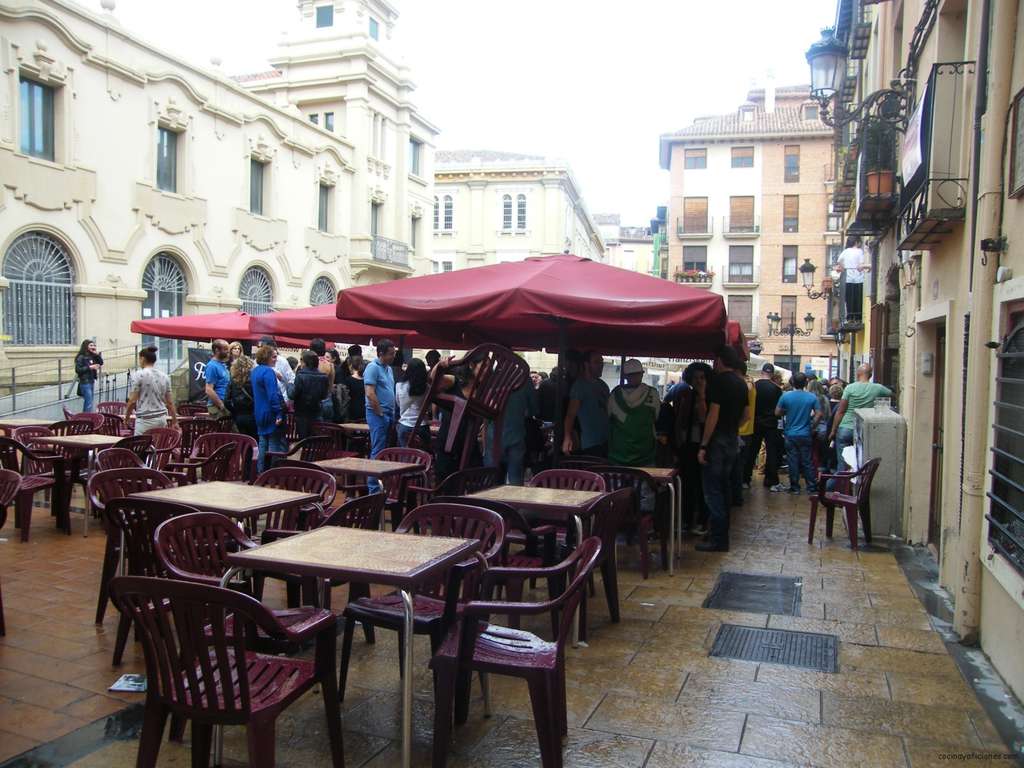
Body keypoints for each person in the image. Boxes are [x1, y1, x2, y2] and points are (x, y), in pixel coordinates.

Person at [696, 346, 750, 552]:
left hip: (717, 441)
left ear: (719, 361)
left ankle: (718, 540)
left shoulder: (717, 382)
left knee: (713, 490)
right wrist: (732, 427)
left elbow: (712, 415)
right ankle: (722, 536)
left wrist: (703, 444)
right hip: (732, 440)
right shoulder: (741, 383)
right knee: (725, 487)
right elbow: (746, 415)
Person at [659, 362, 710, 534]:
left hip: (702, 446)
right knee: (689, 485)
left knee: (701, 486)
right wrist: (679, 446)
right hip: (688, 446)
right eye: (695, 378)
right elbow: (680, 422)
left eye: (702, 377)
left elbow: (703, 419)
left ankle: (700, 521)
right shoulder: (686, 394)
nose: (698, 381)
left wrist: (702, 396)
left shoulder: (707, 396)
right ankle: (688, 521)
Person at [432, 350, 489, 483]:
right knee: (446, 486)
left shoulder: (483, 390)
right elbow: (434, 380)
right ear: (471, 365)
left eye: (489, 366)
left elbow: (485, 422)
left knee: (473, 485)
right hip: (448, 443)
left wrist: (485, 449)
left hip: (469, 445)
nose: (487, 370)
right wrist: (440, 366)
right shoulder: (454, 381)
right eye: (484, 365)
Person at [829, 363, 892, 470]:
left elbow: (841, 411)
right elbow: (891, 393)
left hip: (846, 428)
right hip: (864, 428)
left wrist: (833, 431)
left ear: (858, 374)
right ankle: (858, 484)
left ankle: (840, 484)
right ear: (871, 375)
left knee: (843, 465)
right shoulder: (878, 388)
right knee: (861, 463)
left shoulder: (849, 388)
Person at [486, 362, 537, 485]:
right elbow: (534, 409)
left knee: (491, 483)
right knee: (515, 482)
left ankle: (490, 504)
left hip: (494, 437)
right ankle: (512, 504)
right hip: (516, 435)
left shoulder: (491, 378)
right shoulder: (525, 380)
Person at [608, 359, 660, 467]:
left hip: (618, 454)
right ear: (641, 374)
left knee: (618, 484)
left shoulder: (615, 395)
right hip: (646, 454)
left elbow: (608, 416)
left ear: (625, 376)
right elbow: (656, 416)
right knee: (644, 483)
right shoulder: (652, 394)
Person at [775, 372, 820, 494]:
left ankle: (795, 487)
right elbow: (818, 414)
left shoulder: (786, 396)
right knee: (807, 461)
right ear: (806, 382)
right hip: (805, 433)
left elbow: (777, 413)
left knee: (792, 460)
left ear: (793, 382)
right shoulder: (812, 397)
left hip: (790, 434)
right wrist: (812, 426)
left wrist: (787, 411)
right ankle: (811, 486)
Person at [562, 350, 610, 457]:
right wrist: (567, 437)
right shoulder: (579, 386)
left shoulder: (603, 386)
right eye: (597, 362)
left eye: (602, 362)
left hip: (606, 441)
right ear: (586, 364)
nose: (601, 365)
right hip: (589, 444)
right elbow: (570, 415)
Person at [364, 339, 398, 490]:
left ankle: (380, 484)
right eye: (391, 354)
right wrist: (380, 413)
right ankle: (373, 488)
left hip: (388, 414)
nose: (393, 357)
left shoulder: (388, 369)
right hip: (377, 414)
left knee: (383, 450)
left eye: (394, 353)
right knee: (377, 450)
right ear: (381, 354)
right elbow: (370, 393)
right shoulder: (372, 368)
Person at [747, 363, 784, 490]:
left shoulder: (754, 386)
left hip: (755, 422)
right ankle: (771, 479)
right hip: (771, 423)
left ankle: (745, 478)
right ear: (772, 374)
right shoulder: (777, 389)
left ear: (762, 372)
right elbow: (779, 409)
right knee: (772, 452)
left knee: (752, 451)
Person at [125, 346, 176, 434]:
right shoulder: (165, 376)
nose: (139, 361)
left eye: (139, 359)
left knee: (140, 447)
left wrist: (127, 418)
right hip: (161, 418)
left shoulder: (138, 375)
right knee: (159, 446)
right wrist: (175, 420)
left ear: (143, 359)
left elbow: (132, 401)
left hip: (144, 420)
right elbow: (170, 402)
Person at [252, 344, 286, 472]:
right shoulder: (269, 372)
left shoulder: (255, 371)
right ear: (267, 357)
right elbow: (272, 395)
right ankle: (273, 474)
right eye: (273, 357)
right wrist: (278, 413)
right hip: (270, 412)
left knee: (262, 444)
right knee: (274, 445)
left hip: (259, 412)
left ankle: (260, 473)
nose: (276, 359)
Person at [291, 351, 330, 439]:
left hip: (302, 412)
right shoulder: (324, 377)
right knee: (315, 439)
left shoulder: (300, 375)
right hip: (316, 411)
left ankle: (305, 452)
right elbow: (324, 395)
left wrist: (289, 385)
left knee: (303, 439)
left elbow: (292, 394)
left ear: (304, 362)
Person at [834, 235, 869, 324]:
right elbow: (860, 266)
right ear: (857, 242)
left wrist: (843, 268)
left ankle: (850, 317)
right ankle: (858, 317)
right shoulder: (859, 251)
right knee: (858, 298)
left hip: (848, 278)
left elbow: (839, 262)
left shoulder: (845, 252)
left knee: (849, 299)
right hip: (859, 279)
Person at [396, 357, 430, 447]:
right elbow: (428, 406)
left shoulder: (399, 386)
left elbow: (398, 403)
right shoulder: (427, 388)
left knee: (404, 457)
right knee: (422, 457)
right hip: (422, 426)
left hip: (404, 425)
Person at [226, 355, 257, 439]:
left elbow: (226, 401)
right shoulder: (254, 380)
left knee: (242, 442)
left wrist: (234, 411)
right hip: (253, 415)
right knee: (254, 442)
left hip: (238, 416)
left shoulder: (233, 380)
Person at [259, 337, 294, 403]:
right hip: (263, 401)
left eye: (262, 347)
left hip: (279, 401)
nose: (260, 349)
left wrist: (285, 399)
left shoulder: (281, 361)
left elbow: (291, 380)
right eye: (259, 347)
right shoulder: (257, 362)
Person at [308, 338, 336, 421]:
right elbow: (331, 385)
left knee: (313, 431)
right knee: (326, 431)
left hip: (313, 403)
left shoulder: (309, 364)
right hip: (327, 401)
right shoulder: (330, 365)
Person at [204, 339, 231, 421]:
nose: (228, 351)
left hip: (225, 404)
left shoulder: (222, 365)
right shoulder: (212, 366)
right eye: (225, 349)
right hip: (217, 407)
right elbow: (208, 389)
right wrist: (221, 405)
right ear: (217, 350)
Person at [74, 340, 104, 412]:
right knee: (88, 402)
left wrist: (96, 355)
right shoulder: (81, 357)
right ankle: (86, 418)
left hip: (91, 381)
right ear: (86, 346)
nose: (93, 347)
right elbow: (78, 369)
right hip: (85, 382)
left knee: (89, 401)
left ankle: (86, 417)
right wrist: (90, 367)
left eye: (94, 345)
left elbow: (101, 362)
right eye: (91, 345)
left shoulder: (93, 356)